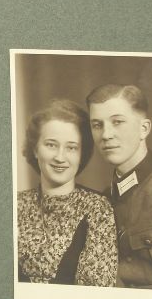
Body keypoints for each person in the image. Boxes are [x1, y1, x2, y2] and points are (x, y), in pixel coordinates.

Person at [17, 99, 117, 286]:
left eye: (71, 148)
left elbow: (95, 290)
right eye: (51, 145)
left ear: (81, 155)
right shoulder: (15, 205)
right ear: (35, 149)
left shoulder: (97, 209)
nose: (60, 157)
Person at [87, 84, 152, 290]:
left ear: (144, 129)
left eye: (117, 122)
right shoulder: (103, 199)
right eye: (97, 125)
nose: (106, 135)